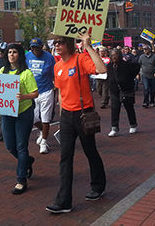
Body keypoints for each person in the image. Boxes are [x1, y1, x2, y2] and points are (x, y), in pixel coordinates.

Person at [46, 34, 107, 214]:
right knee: (65, 157)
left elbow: (101, 68)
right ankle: (64, 201)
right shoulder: (57, 66)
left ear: (70, 44)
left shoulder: (80, 59)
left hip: (83, 113)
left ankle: (98, 185)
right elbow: (60, 93)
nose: (57, 45)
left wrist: (87, 47)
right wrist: (60, 116)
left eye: (61, 42)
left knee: (90, 151)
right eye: (55, 43)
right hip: (66, 116)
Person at [0, 43, 38, 194]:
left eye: (14, 52)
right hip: (7, 112)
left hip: (23, 112)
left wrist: (23, 97)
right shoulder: (3, 70)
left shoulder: (26, 73)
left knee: (22, 146)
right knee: (10, 146)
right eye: (9, 52)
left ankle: (21, 180)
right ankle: (27, 161)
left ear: (20, 55)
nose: (11, 55)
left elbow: (35, 93)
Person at [25, 38, 55, 154]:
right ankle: (43, 131)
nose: (34, 50)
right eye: (32, 47)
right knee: (33, 118)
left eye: (37, 47)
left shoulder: (49, 57)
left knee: (45, 118)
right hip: (32, 92)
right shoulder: (27, 56)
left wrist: (56, 86)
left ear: (41, 46)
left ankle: (44, 142)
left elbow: (54, 73)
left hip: (46, 91)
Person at [107, 49, 140, 137]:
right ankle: (114, 127)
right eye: (112, 55)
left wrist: (130, 79)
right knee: (114, 109)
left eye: (115, 55)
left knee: (129, 107)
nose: (114, 57)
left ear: (120, 56)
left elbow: (137, 67)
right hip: (114, 91)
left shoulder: (126, 64)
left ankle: (133, 124)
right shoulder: (109, 66)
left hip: (126, 90)